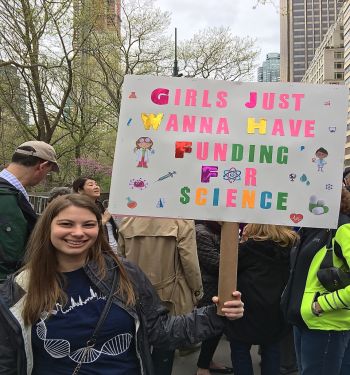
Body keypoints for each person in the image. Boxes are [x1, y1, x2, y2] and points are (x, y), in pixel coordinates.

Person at [0, 194, 244, 374]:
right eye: (66, 224)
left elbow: (161, 331)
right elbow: (7, 360)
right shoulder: (18, 289)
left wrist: (217, 314)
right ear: (48, 228)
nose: (78, 232)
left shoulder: (124, 273)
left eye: (88, 224)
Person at [118, 216, 203, 375]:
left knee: (137, 345)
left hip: (134, 293)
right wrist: (197, 290)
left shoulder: (128, 220)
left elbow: (121, 259)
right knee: (165, 348)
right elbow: (189, 261)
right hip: (169, 294)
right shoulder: (181, 220)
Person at [284, 187, 350, 375]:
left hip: (326, 324)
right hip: (305, 320)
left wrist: (322, 304)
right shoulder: (310, 229)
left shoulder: (343, 228)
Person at [226, 224, 299, 375]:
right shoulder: (290, 248)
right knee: (272, 350)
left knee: (240, 349)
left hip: (245, 307)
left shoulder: (248, 249)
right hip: (275, 308)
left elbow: (229, 270)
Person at [0, 140, 59, 282]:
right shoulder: (5, 196)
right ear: (42, 166)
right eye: (48, 173)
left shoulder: (15, 194)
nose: (45, 178)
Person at [195, 220, 233, 375]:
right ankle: (202, 367)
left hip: (216, 284)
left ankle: (207, 361)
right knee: (211, 325)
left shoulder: (215, 230)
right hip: (208, 286)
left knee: (216, 326)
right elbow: (215, 263)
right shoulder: (202, 232)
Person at [72, 177, 118, 253]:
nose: (96, 187)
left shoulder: (100, 206)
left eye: (96, 184)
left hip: (112, 251)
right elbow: (82, 231)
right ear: (80, 190)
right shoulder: (77, 208)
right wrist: (103, 221)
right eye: (91, 185)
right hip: (94, 252)